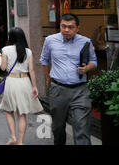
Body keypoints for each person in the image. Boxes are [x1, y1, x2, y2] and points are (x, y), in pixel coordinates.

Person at [40, 14, 97, 145]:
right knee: (58, 127)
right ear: (60, 26)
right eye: (63, 26)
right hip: (58, 89)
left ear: (77, 28)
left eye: (70, 27)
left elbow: (94, 61)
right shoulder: (50, 40)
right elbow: (44, 60)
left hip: (80, 91)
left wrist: (87, 68)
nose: (66, 30)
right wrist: (48, 78)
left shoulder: (85, 41)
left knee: (82, 128)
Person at [0, 27, 43, 145]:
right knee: (22, 113)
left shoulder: (5, 50)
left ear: (10, 37)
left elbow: (3, 68)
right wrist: (34, 86)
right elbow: (32, 70)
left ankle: (13, 137)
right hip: (24, 81)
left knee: (9, 111)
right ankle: (20, 141)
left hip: (12, 82)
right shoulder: (28, 51)